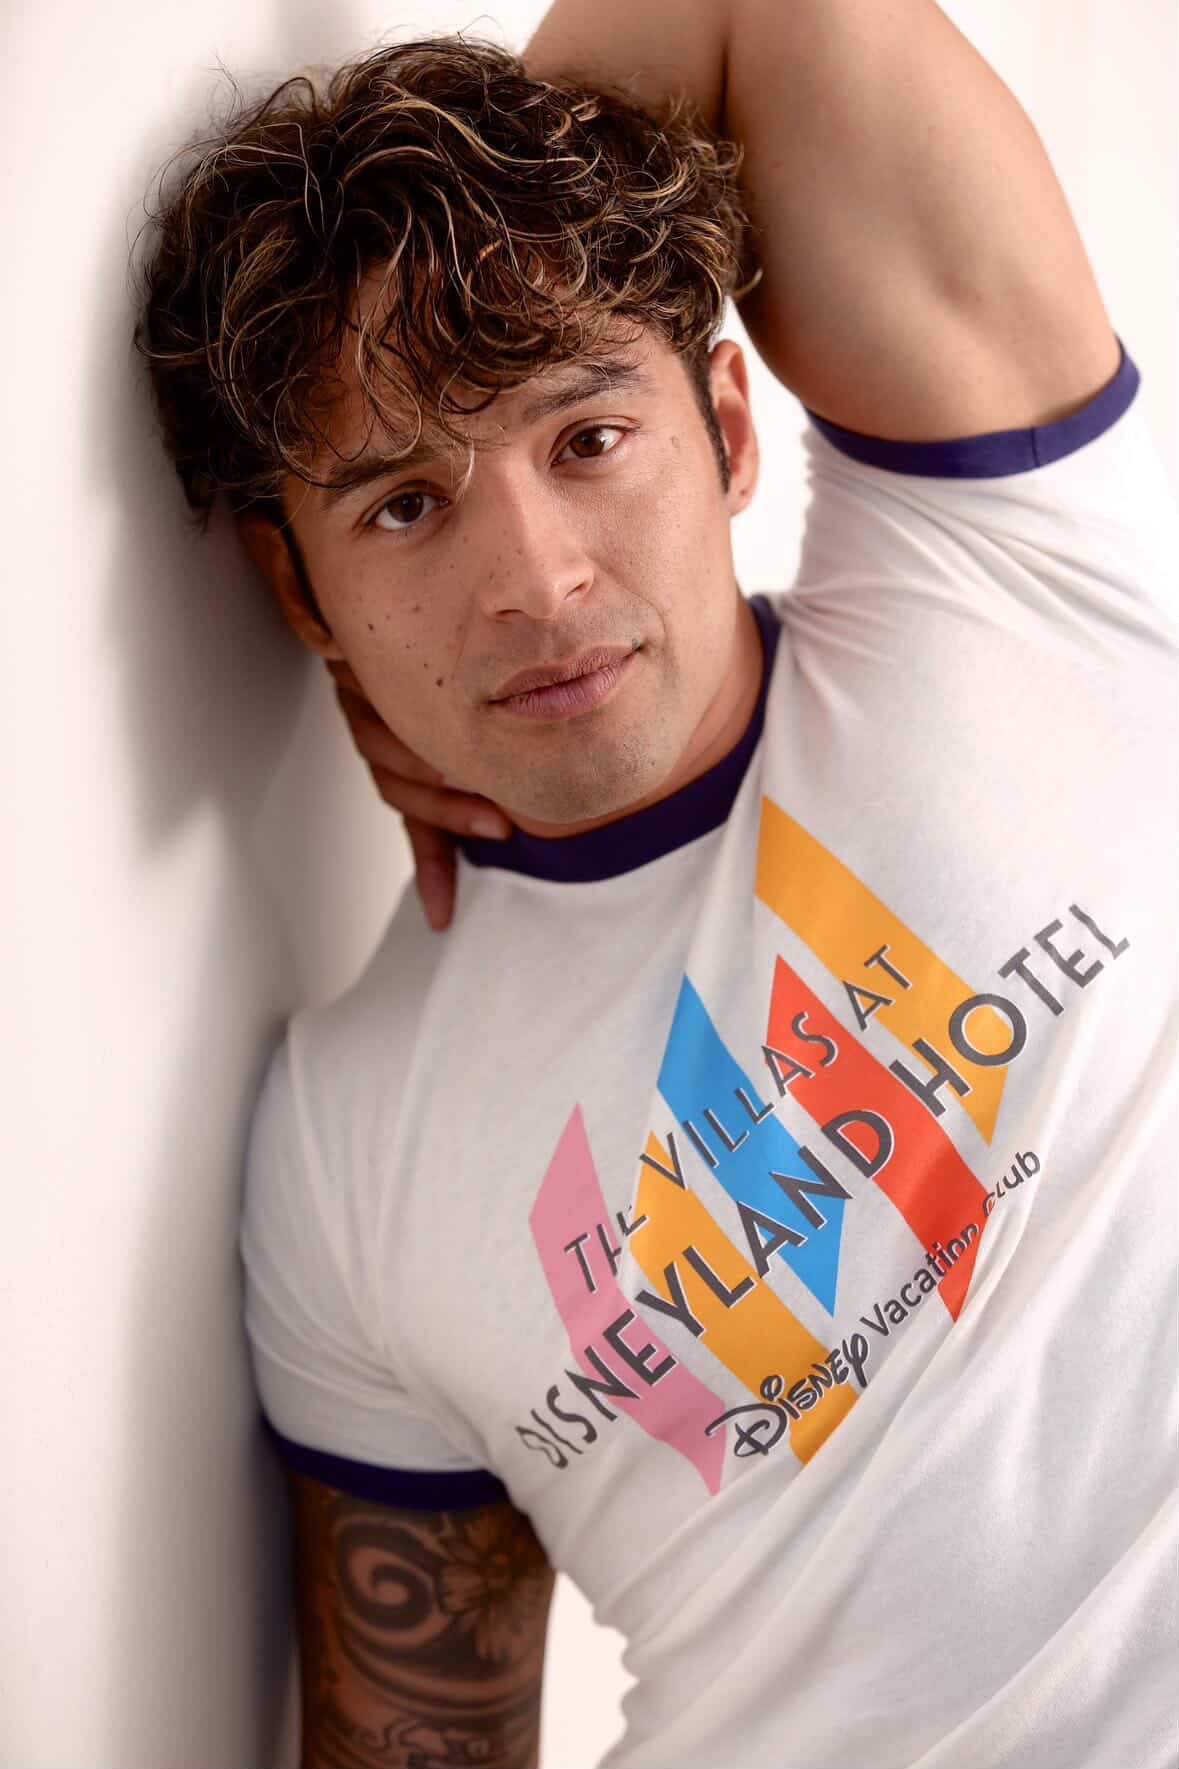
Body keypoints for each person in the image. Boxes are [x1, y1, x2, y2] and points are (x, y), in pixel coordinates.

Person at [136, 3, 1178, 1765]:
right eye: (404, 507)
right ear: (297, 593)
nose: (535, 581)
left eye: (587, 436)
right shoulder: (343, 1144)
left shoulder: (1010, 575)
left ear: (726, 421)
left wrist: (503, 242)